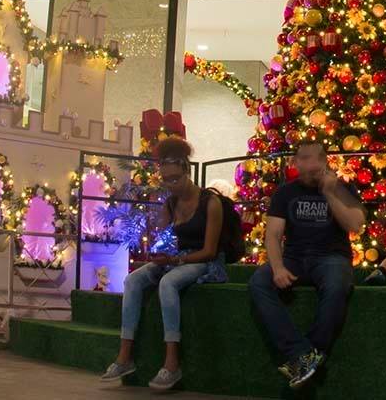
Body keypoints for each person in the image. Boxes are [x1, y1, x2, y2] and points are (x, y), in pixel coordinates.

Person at [99, 137, 227, 392]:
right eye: (166, 180)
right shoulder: (170, 203)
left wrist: (176, 260)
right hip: (175, 259)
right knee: (132, 280)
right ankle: (124, 356)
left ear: (187, 172)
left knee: (168, 283)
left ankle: (171, 362)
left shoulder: (210, 203)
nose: (171, 185)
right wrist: (159, 251)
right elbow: (164, 240)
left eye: (176, 179)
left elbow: (210, 251)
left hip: (202, 261)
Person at [248, 140, 365, 388]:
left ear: (325, 162)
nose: (311, 164)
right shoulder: (285, 192)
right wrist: (278, 268)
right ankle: (300, 353)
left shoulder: (343, 188)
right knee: (259, 280)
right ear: (296, 163)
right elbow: (272, 235)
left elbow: (355, 226)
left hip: (331, 257)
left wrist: (330, 194)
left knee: (337, 285)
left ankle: (307, 355)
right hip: (295, 258)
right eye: (304, 158)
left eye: (317, 159)